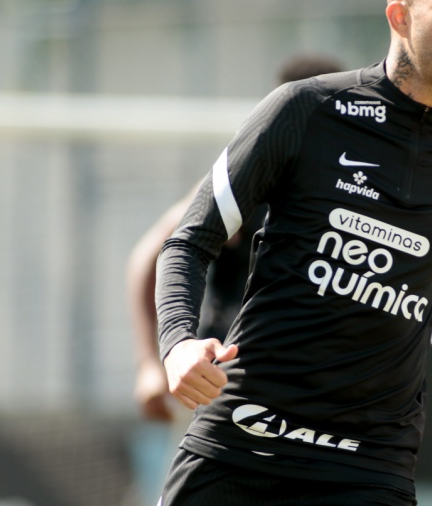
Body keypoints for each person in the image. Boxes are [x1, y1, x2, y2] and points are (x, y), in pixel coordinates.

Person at [155, 0, 432, 505]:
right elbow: (189, 240)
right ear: (400, 16)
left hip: (370, 466)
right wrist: (176, 345)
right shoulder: (306, 109)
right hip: (245, 441)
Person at [128, 54, 346, 422]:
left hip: (315, 391)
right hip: (228, 384)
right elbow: (157, 251)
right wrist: (153, 361)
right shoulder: (249, 179)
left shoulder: (349, 189)